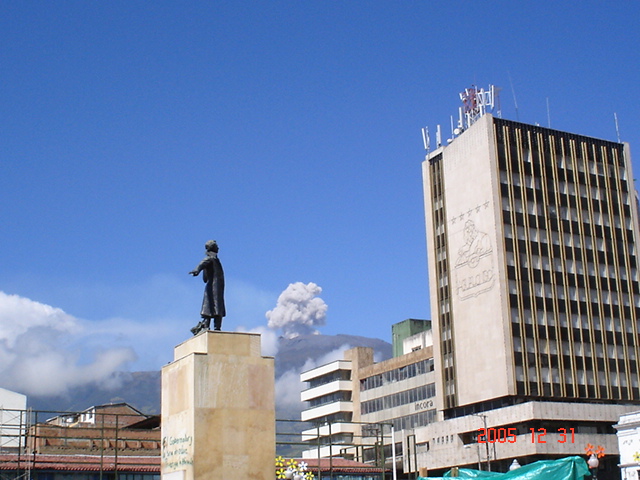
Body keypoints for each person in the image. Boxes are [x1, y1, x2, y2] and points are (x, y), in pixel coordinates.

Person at [189, 240, 226, 334]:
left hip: (218, 289)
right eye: (216, 246)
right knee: (210, 308)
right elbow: (202, 264)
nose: (218, 248)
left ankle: (217, 328)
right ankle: (207, 326)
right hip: (213, 289)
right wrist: (196, 270)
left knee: (218, 308)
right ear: (212, 247)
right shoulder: (210, 258)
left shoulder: (215, 259)